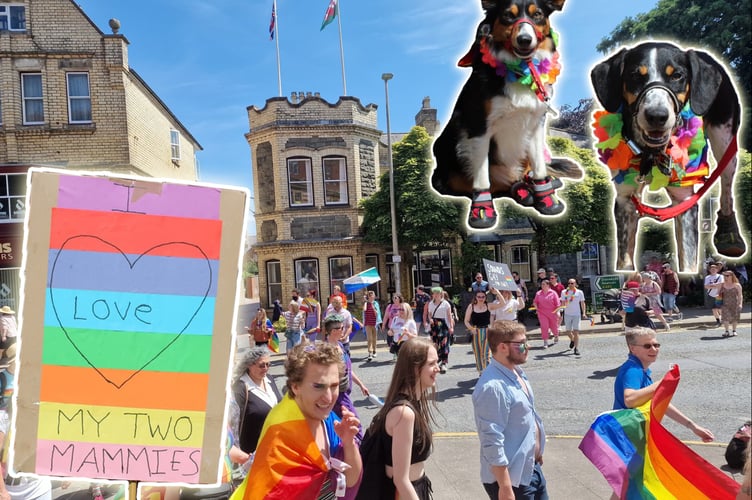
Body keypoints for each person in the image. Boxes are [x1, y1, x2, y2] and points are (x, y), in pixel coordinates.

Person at [232, 341, 362, 500]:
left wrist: (349, 443)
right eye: (318, 386)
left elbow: (350, 482)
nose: (329, 398)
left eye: (333, 386)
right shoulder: (280, 434)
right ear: (295, 387)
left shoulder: (330, 421)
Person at [473, 321, 548, 500]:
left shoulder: (517, 372)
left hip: (530, 468)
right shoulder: (492, 387)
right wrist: (505, 487)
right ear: (503, 347)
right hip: (512, 480)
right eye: (521, 344)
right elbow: (491, 441)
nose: (527, 347)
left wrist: (535, 452)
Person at [359, 338, 440, 500]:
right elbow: (401, 480)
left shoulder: (409, 404)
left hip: (413, 488)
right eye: (432, 364)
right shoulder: (404, 413)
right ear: (415, 368)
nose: (437, 369)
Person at [613, 327, 714, 440]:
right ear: (632, 348)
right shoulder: (633, 370)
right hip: (627, 438)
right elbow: (630, 400)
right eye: (647, 346)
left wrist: (692, 426)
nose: (654, 349)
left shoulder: (639, 369)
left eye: (656, 345)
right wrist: (660, 384)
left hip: (632, 434)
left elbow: (660, 401)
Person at [323, 314, 369, 442]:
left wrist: (361, 385)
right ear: (333, 331)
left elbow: (349, 370)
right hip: (338, 395)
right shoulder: (327, 350)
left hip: (345, 393)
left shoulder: (340, 345)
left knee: (340, 424)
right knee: (355, 424)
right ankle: (361, 450)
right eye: (341, 328)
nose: (344, 330)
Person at [231, 347, 281, 457]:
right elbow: (233, 422)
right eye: (261, 365)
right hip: (253, 450)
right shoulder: (240, 388)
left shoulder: (269, 379)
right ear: (249, 365)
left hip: (276, 444)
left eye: (268, 364)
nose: (266, 368)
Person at [465, 288, 506, 373]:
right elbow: (466, 321)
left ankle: (488, 372)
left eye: (483, 297)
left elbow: (503, 303)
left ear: (485, 297)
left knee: (486, 353)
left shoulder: (489, 305)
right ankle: (481, 371)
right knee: (478, 353)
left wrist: (497, 292)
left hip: (487, 331)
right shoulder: (471, 306)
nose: (481, 298)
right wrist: (471, 329)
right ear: (475, 297)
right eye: (479, 297)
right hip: (476, 331)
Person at [424, 287, 454, 374]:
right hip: (434, 325)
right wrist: (430, 319)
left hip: (443, 325)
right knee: (435, 344)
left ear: (441, 294)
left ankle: (444, 363)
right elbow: (429, 314)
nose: (436, 295)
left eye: (438, 293)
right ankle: (436, 360)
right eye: (434, 293)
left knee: (444, 344)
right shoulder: (430, 304)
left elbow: (449, 316)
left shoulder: (446, 304)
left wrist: (451, 327)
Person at [560, 278, 587, 356]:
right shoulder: (564, 292)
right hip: (567, 314)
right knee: (568, 331)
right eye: (569, 283)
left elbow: (582, 303)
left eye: (572, 283)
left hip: (576, 314)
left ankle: (576, 348)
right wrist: (561, 311)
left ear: (575, 284)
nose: (570, 285)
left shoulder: (579, 292)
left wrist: (584, 313)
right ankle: (572, 340)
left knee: (576, 332)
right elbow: (562, 302)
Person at [533, 280, 560, 348]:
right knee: (544, 326)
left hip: (552, 313)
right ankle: (545, 341)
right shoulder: (538, 293)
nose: (542, 285)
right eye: (542, 284)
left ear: (548, 285)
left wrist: (558, 312)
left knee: (554, 327)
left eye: (544, 284)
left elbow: (557, 304)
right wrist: (536, 307)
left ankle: (556, 335)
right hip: (542, 313)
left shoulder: (553, 293)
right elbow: (535, 302)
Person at [720, 270, 743, 337]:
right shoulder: (722, 284)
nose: (725, 277)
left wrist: (740, 304)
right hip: (725, 303)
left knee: (735, 318)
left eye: (727, 276)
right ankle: (726, 331)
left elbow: (740, 295)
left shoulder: (737, 285)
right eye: (724, 275)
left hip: (735, 303)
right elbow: (718, 293)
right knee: (725, 318)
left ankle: (734, 330)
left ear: (732, 276)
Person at [362, 291, 383, 361]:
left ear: (374, 296)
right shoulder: (366, 303)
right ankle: (370, 353)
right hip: (368, 323)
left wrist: (373, 306)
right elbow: (364, 310)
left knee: (374, 338)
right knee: (369, 338)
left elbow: (377, 314)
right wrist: (366, 302)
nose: (371, 297)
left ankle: (374, 350)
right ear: (368, 297)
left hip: (374, 323)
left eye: (372, 295)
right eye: (370, 296)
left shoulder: (375, 303)